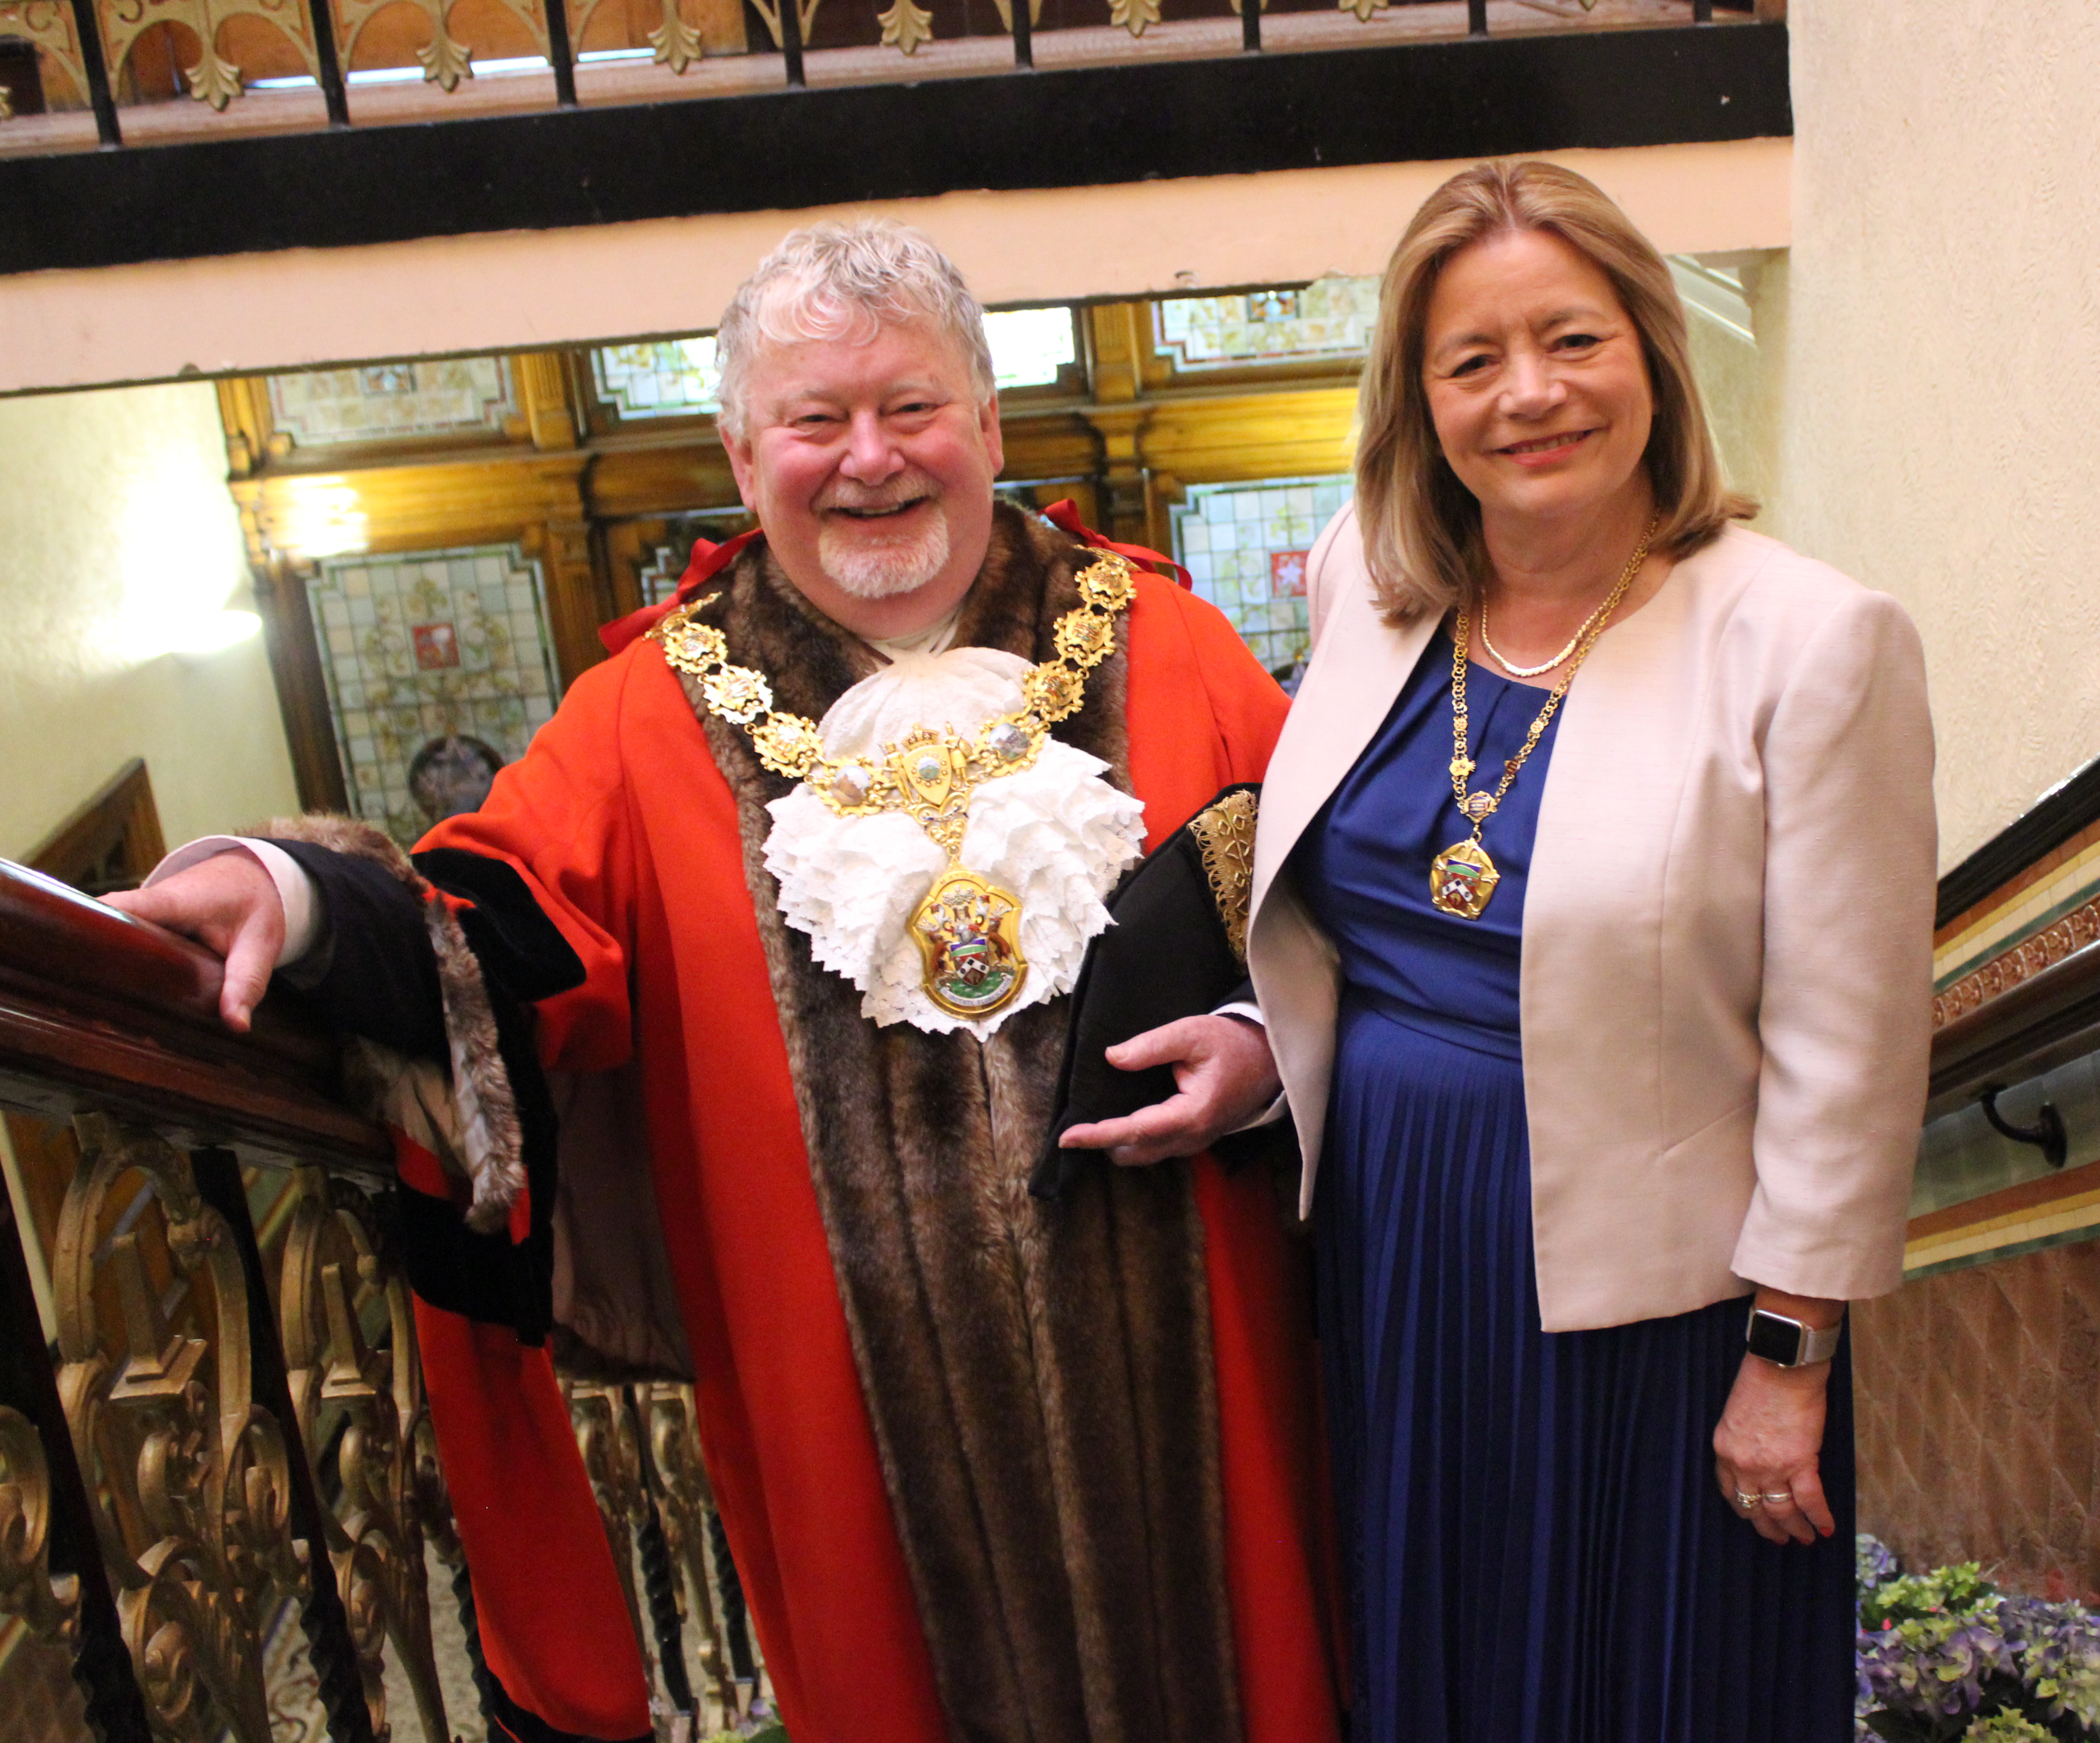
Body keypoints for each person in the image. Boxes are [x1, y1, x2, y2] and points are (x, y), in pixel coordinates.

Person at [111, 218, 1334, 1743]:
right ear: (745, 456)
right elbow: (495, 930)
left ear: (990, 425)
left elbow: (1343, 926)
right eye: (815, 421)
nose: (869, 459)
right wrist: (293, 895)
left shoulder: (1180, 648)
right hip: (853, 1461)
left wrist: (1266, 1044)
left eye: (912, 409)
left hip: (1207, 1419)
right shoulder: (639, 720)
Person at [1246, 160, 1936, 1740]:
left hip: (1658, 1297)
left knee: (1650, 1676)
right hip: (1395, 1239)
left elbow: (1855, 1038)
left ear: (1652, 355)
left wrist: (1792, 1355)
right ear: (1419, 403)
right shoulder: (1374, 577)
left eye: (1573, 339)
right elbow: (1335, 898)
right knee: (1442, 1647)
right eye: (1472, 361)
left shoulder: (1808, 641)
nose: (1529, 396)